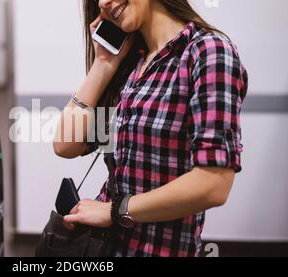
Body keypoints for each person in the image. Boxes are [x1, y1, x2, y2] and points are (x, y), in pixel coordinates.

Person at [53, 0, 248, 257]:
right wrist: (103, 63)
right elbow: (66, 144)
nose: (102, 2)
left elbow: (213, 184)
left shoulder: (208, 52)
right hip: (106, 249)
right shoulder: (134, 66)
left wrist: (115, 211)